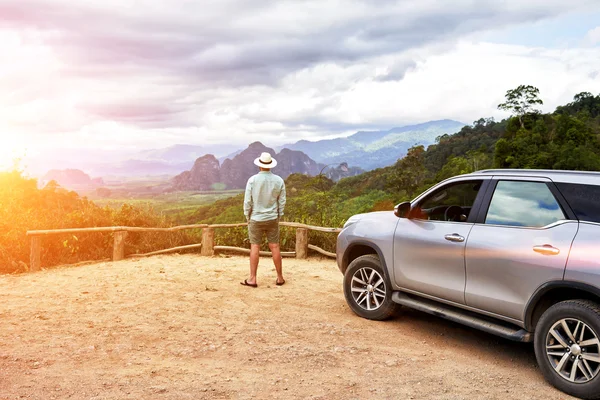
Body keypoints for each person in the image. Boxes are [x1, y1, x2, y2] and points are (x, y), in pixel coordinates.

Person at [240, 152, 286, 288]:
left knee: (255, 246)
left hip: (256, 218)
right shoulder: (279, 180)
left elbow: (247, 201)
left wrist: (247, 216)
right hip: (272, 218)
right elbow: (282, 201)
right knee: (275, 246)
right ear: (270, 165)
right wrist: (279, 215)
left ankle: (253, 279)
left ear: (259, 166)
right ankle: (280, 278)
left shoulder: (252, 180)